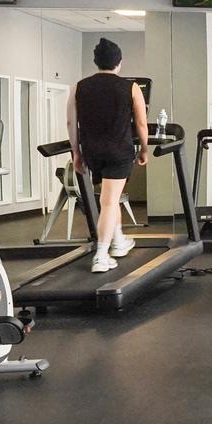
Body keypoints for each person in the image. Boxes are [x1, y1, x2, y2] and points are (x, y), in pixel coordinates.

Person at [68, 38, 150, 274]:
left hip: (92, 151)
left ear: (96, 62)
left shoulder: (79, 87)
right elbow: (141, 123)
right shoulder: (130, 87)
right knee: (109, 201)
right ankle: (102, 255)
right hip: (119, 150)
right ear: (119, 62)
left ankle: (119, 240)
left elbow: (71, 122)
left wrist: (76, 152)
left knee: (108, 199)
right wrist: (144, 149)